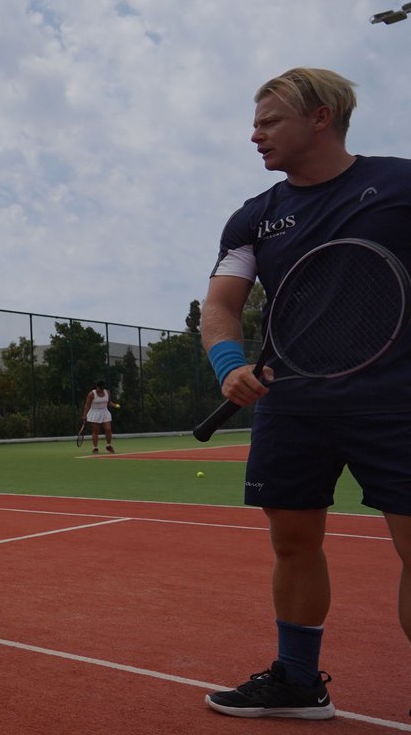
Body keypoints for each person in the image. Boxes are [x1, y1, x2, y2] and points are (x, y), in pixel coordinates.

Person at [200, 67, 411, 720]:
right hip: (291, 406)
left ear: (320, 117)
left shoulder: (403, 185)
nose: (254, 134)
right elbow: (220, 304)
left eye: (268, 121)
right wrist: (229, 363)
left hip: (395, 400)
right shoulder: (254, 218)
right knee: (292, 541)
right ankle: (298, 681)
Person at [80, 380, 117, 454]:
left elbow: (109, 402)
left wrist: (115, 405)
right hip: (95, 413)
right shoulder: (91, 394)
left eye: (103, 388)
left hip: (105, 412)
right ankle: (95, 448)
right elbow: (87, 405)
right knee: (95, 431)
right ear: (97, 387)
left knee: (108, 429)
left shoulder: (107, 392)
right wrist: (84, 415)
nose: (102, 389)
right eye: (100, 388)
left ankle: (108, 446)